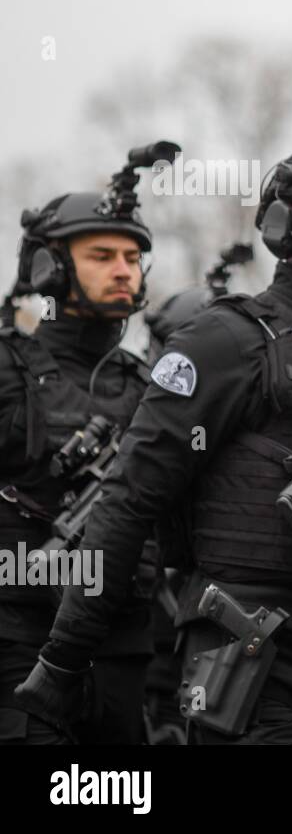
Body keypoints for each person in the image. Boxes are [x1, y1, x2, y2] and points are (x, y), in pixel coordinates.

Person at [14, 135, 292, 744]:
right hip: (247, 649)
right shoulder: (225, 340)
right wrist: (65, 657)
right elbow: (129, 500)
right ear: (288, 225)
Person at [0, 166, 164, 745]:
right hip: (19, 646)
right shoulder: (7, 368)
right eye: (102, 255)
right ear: (49, 267)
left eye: (132, 256)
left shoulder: (154, 387)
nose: (124, 269)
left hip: (125, 652)